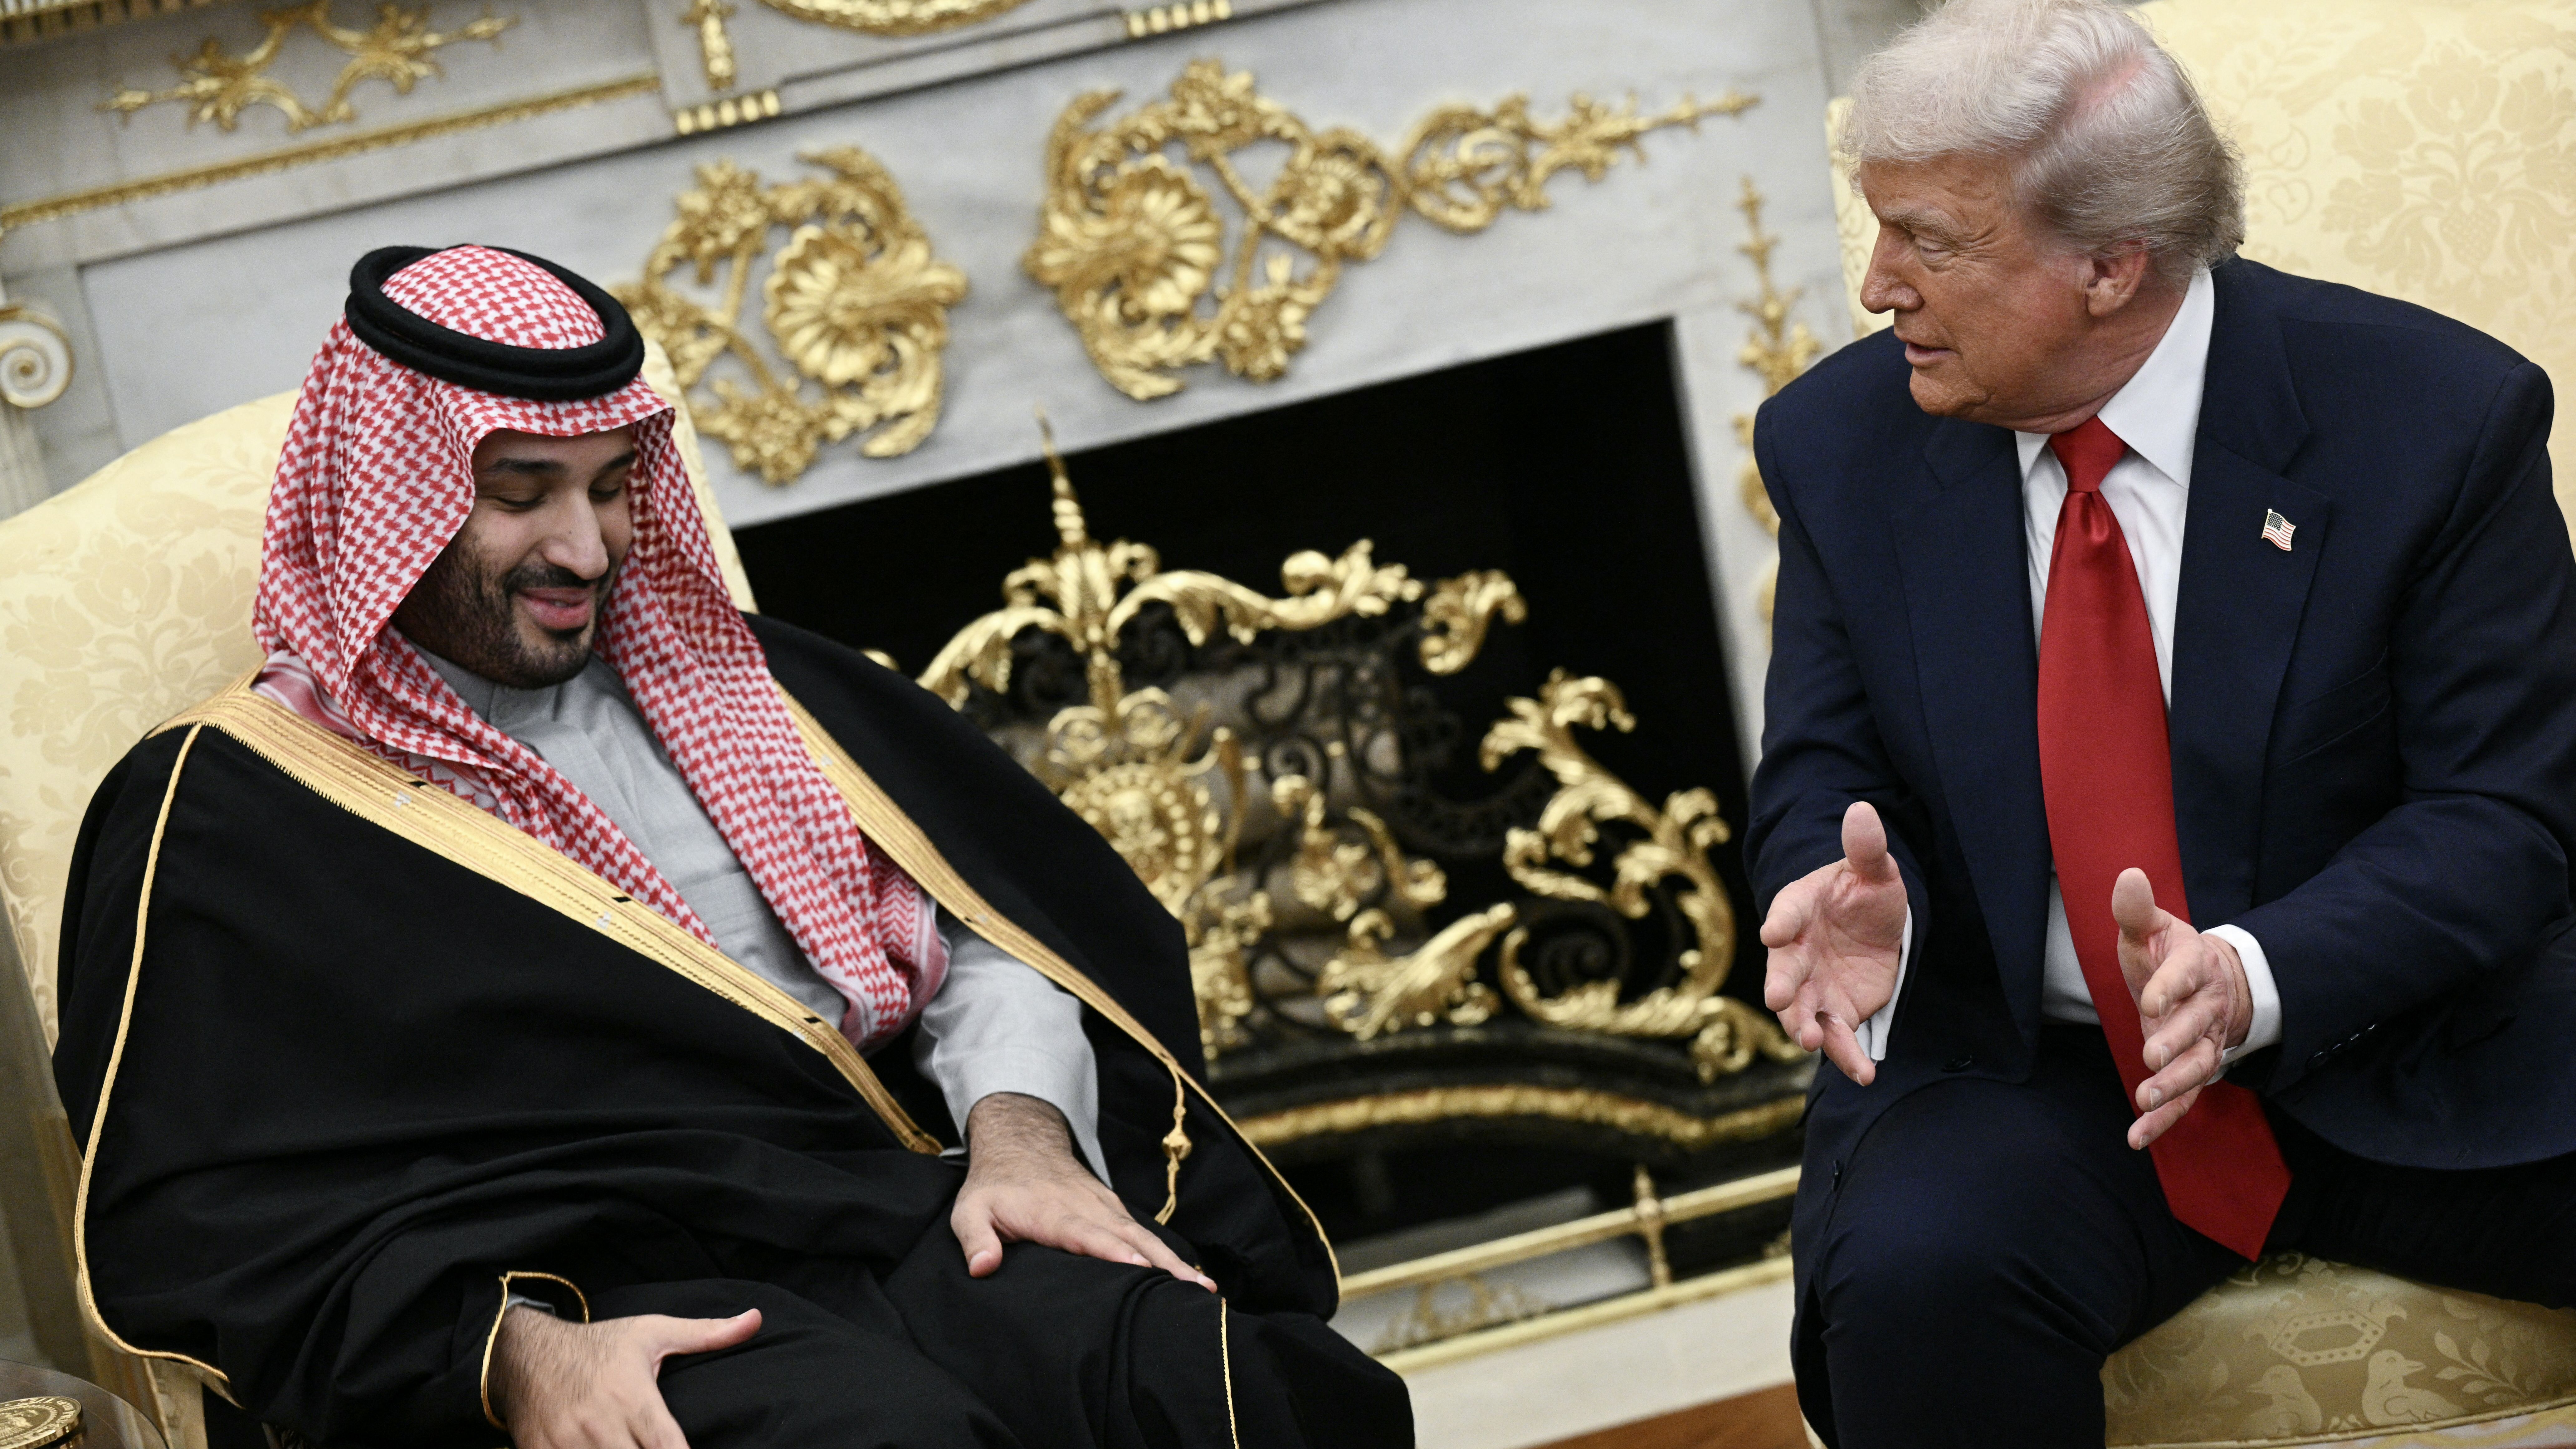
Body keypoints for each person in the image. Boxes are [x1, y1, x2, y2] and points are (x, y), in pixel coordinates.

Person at [54, 244, 1410, 1449]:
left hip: (908, 1211)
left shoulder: (757, 688)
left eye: (611, 486)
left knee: (1230, 1392)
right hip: (601, 1302)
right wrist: (513, 1362)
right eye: (523, 493)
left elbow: (988, 935)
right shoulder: (225, 812)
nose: (585, 550)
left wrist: (1020, 1139)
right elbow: (205, 1213)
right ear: (389, 499)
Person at [1748, 0, 2576, 1443]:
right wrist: (1834, 889)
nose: (1878, 286)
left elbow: (2505, 817)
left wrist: (2258, 973)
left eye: (1929, 241)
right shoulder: (1842, 445)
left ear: (2110, 265)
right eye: (1875, 229)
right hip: (2045, 1074)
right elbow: (1827, 758)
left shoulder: (2433, 421)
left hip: (2406, 1034)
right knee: (1918, 1279)